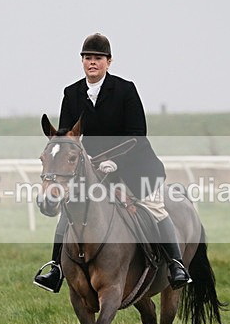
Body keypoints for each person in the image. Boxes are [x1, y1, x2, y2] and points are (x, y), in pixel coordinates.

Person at [33, 33, 191, 293]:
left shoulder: (125, 89)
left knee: (155, 206)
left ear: (108, 61)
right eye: (87, 58)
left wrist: (113, 162)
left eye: (97, 58)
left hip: (136, 166)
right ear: (82, 62)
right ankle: (56, 268)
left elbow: (137, 134)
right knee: (69, 211)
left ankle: (175, 265)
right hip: (93, 169)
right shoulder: (71, 93)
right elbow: (67, 135)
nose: (92, 63)